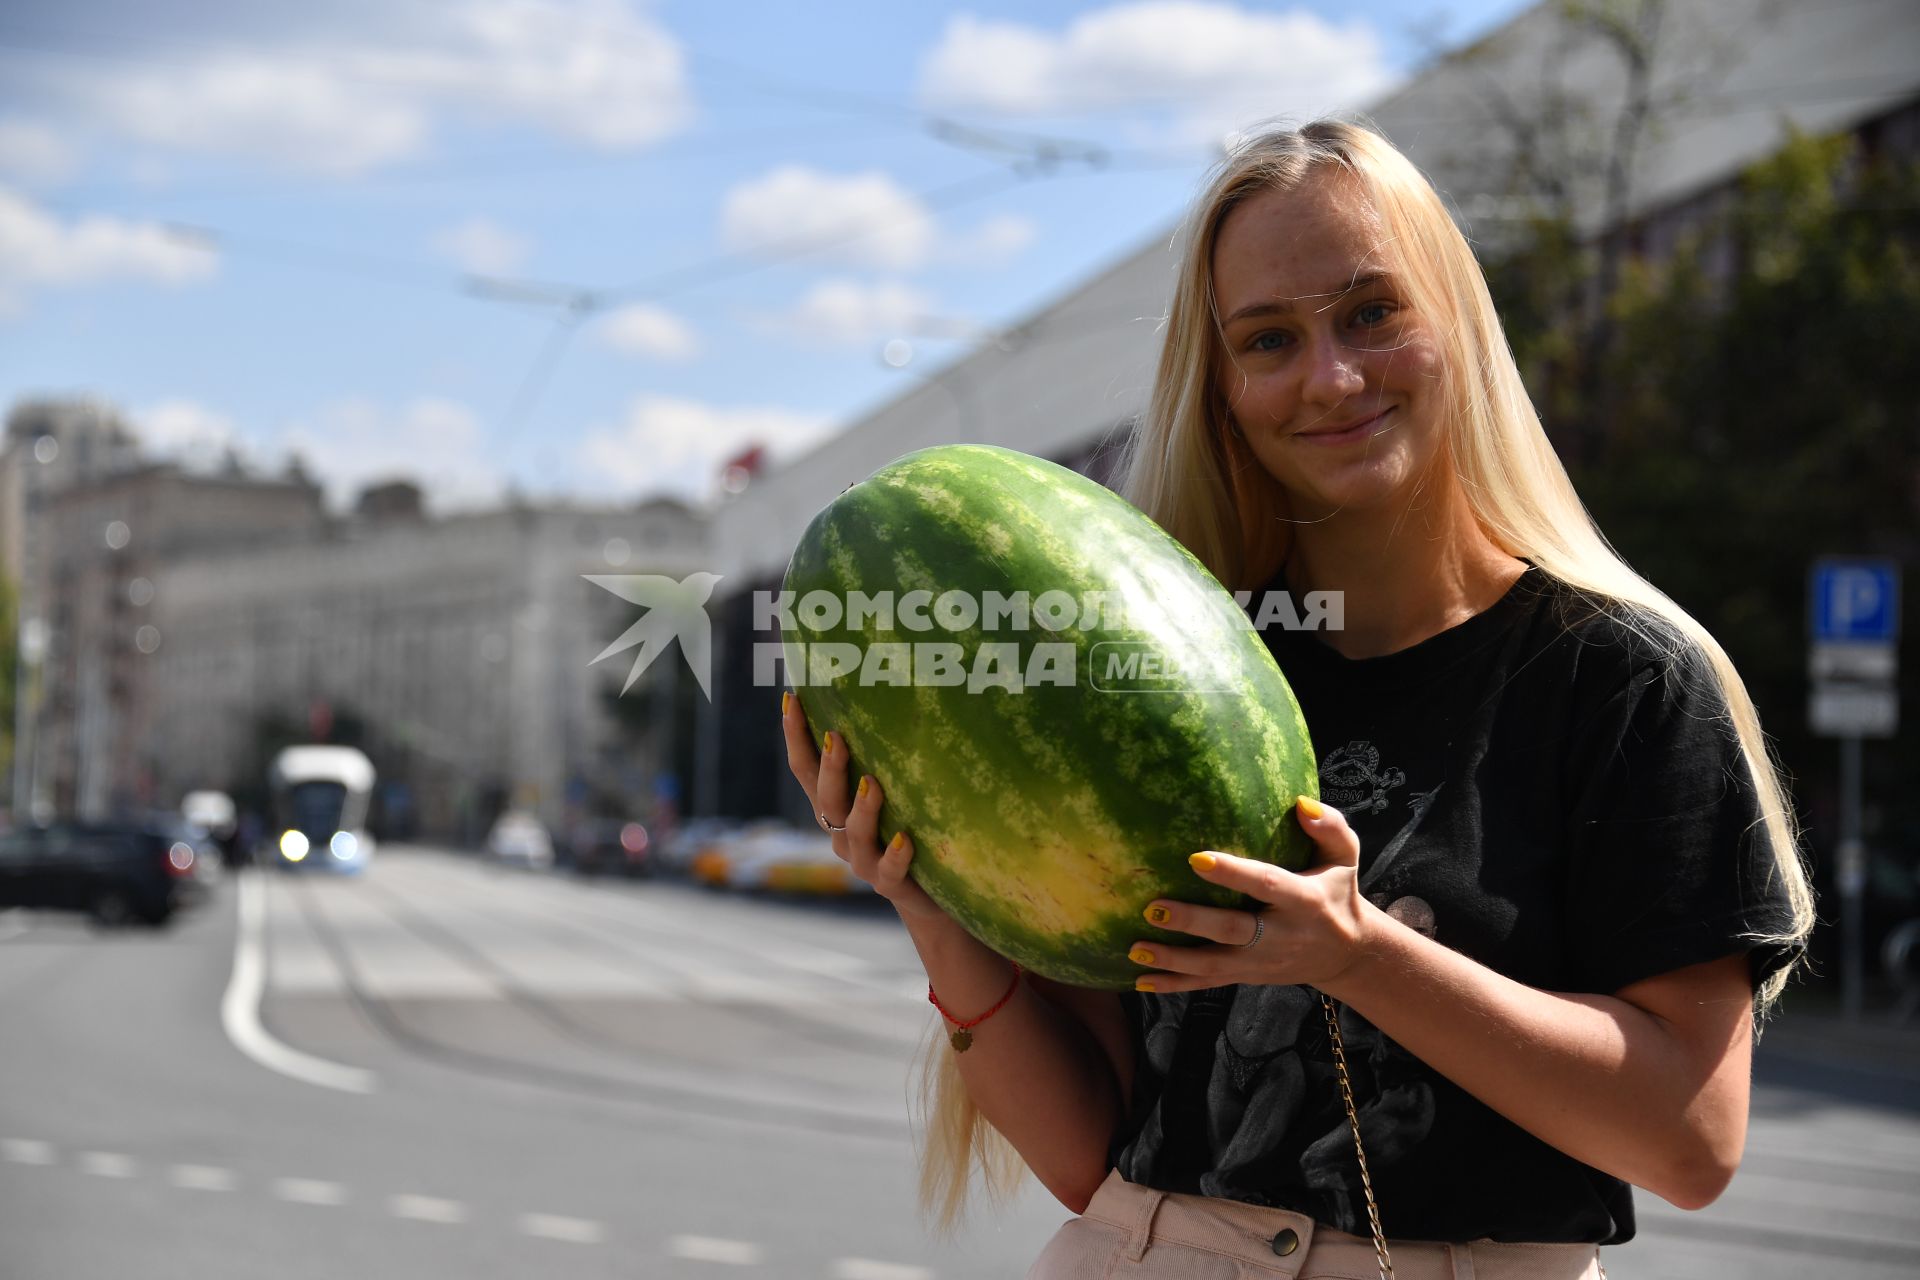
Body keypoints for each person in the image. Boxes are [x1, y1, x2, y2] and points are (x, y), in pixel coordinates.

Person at [780, 119, 1812, 1279]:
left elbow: (1690, 1139)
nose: (1330, 377)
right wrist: (931, 902)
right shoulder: (1157, 675)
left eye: (1372, 312)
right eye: (1268, 339)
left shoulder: (1621, 677)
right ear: (1221, 387)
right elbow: (1095, 1158)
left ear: (1455, 322)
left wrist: (1358, 952)